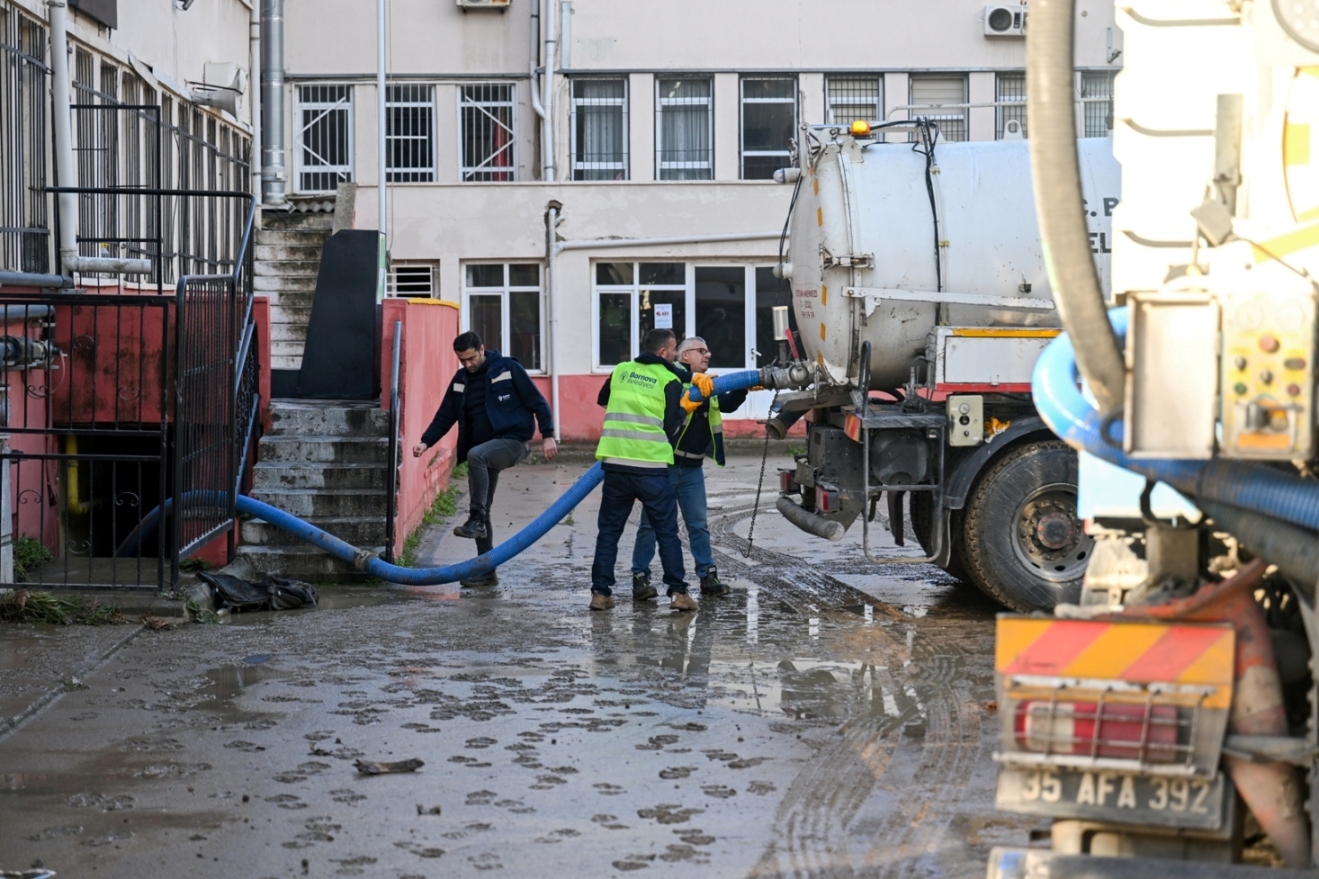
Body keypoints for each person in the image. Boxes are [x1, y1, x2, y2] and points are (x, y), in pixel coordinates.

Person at [412, 331, 556, 588]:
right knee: (483, 504)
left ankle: (475, 519)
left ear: (482, 348)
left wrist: (548, 435)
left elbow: (537, 402)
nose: (467, 365)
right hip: (485, 451)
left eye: (470, 358)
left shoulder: (507, 368)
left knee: (475, 456)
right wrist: (425, 442)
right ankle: (487, 571)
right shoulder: (460, 380)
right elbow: (445, 415)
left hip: (513, 443)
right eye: (462, 361)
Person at [589, 328, 713, 613]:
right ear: (664, 353)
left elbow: (603, 399)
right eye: (673, 353)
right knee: (667, 532)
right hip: (651, 468)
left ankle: (600, 593)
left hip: (616, 465)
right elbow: (670, 426)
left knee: (608, 532)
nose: (675, 358)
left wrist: (692, 377)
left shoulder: (621, 370)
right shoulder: (668, 379)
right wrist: (685, 407)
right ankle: (678, 594)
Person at [631, 336, 746, 598]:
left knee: (698, 524)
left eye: (708, 351)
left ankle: (708, 575)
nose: (708, 355)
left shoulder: (708, 385)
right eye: (701, 351)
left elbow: (726, 404)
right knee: (650, 525)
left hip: (692, 470)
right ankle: (640, 577)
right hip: (664, 468)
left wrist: (744, 386)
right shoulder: (673, 380)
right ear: (684, 356)